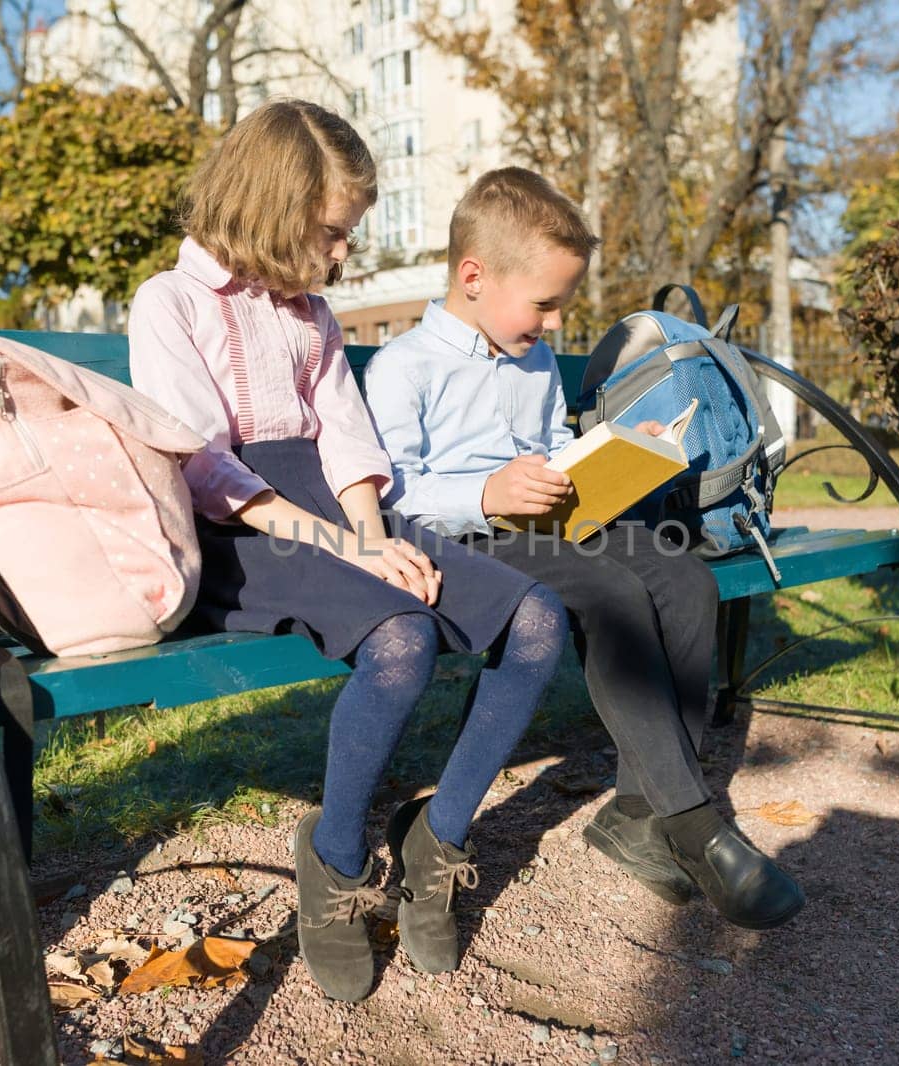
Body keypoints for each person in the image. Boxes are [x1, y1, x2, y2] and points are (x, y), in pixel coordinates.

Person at [127, 104, 568, 1001]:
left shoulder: (312, 314)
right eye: (332, 233)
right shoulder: (169, 302)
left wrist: (373, 539)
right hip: (242, 531)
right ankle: (334, 865)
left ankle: (438, 839)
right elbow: (209, 471)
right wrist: (350, 552)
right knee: (400, 639)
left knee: (535, 618)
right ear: (270, 205)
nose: (340, 255)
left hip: (333, 510)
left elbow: (348, 442)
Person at [364, 167, 804, 931]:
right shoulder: (406, 366)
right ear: (474, 276)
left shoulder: (530, 359)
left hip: (554, 520)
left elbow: (548, 449)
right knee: (612, 598)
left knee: (684, 582)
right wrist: (488, 494)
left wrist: (618, 450)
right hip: (467, 537)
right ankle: (695, 823)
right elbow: (394, 493)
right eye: (546, 303)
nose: (555, 323)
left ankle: (638, 812)